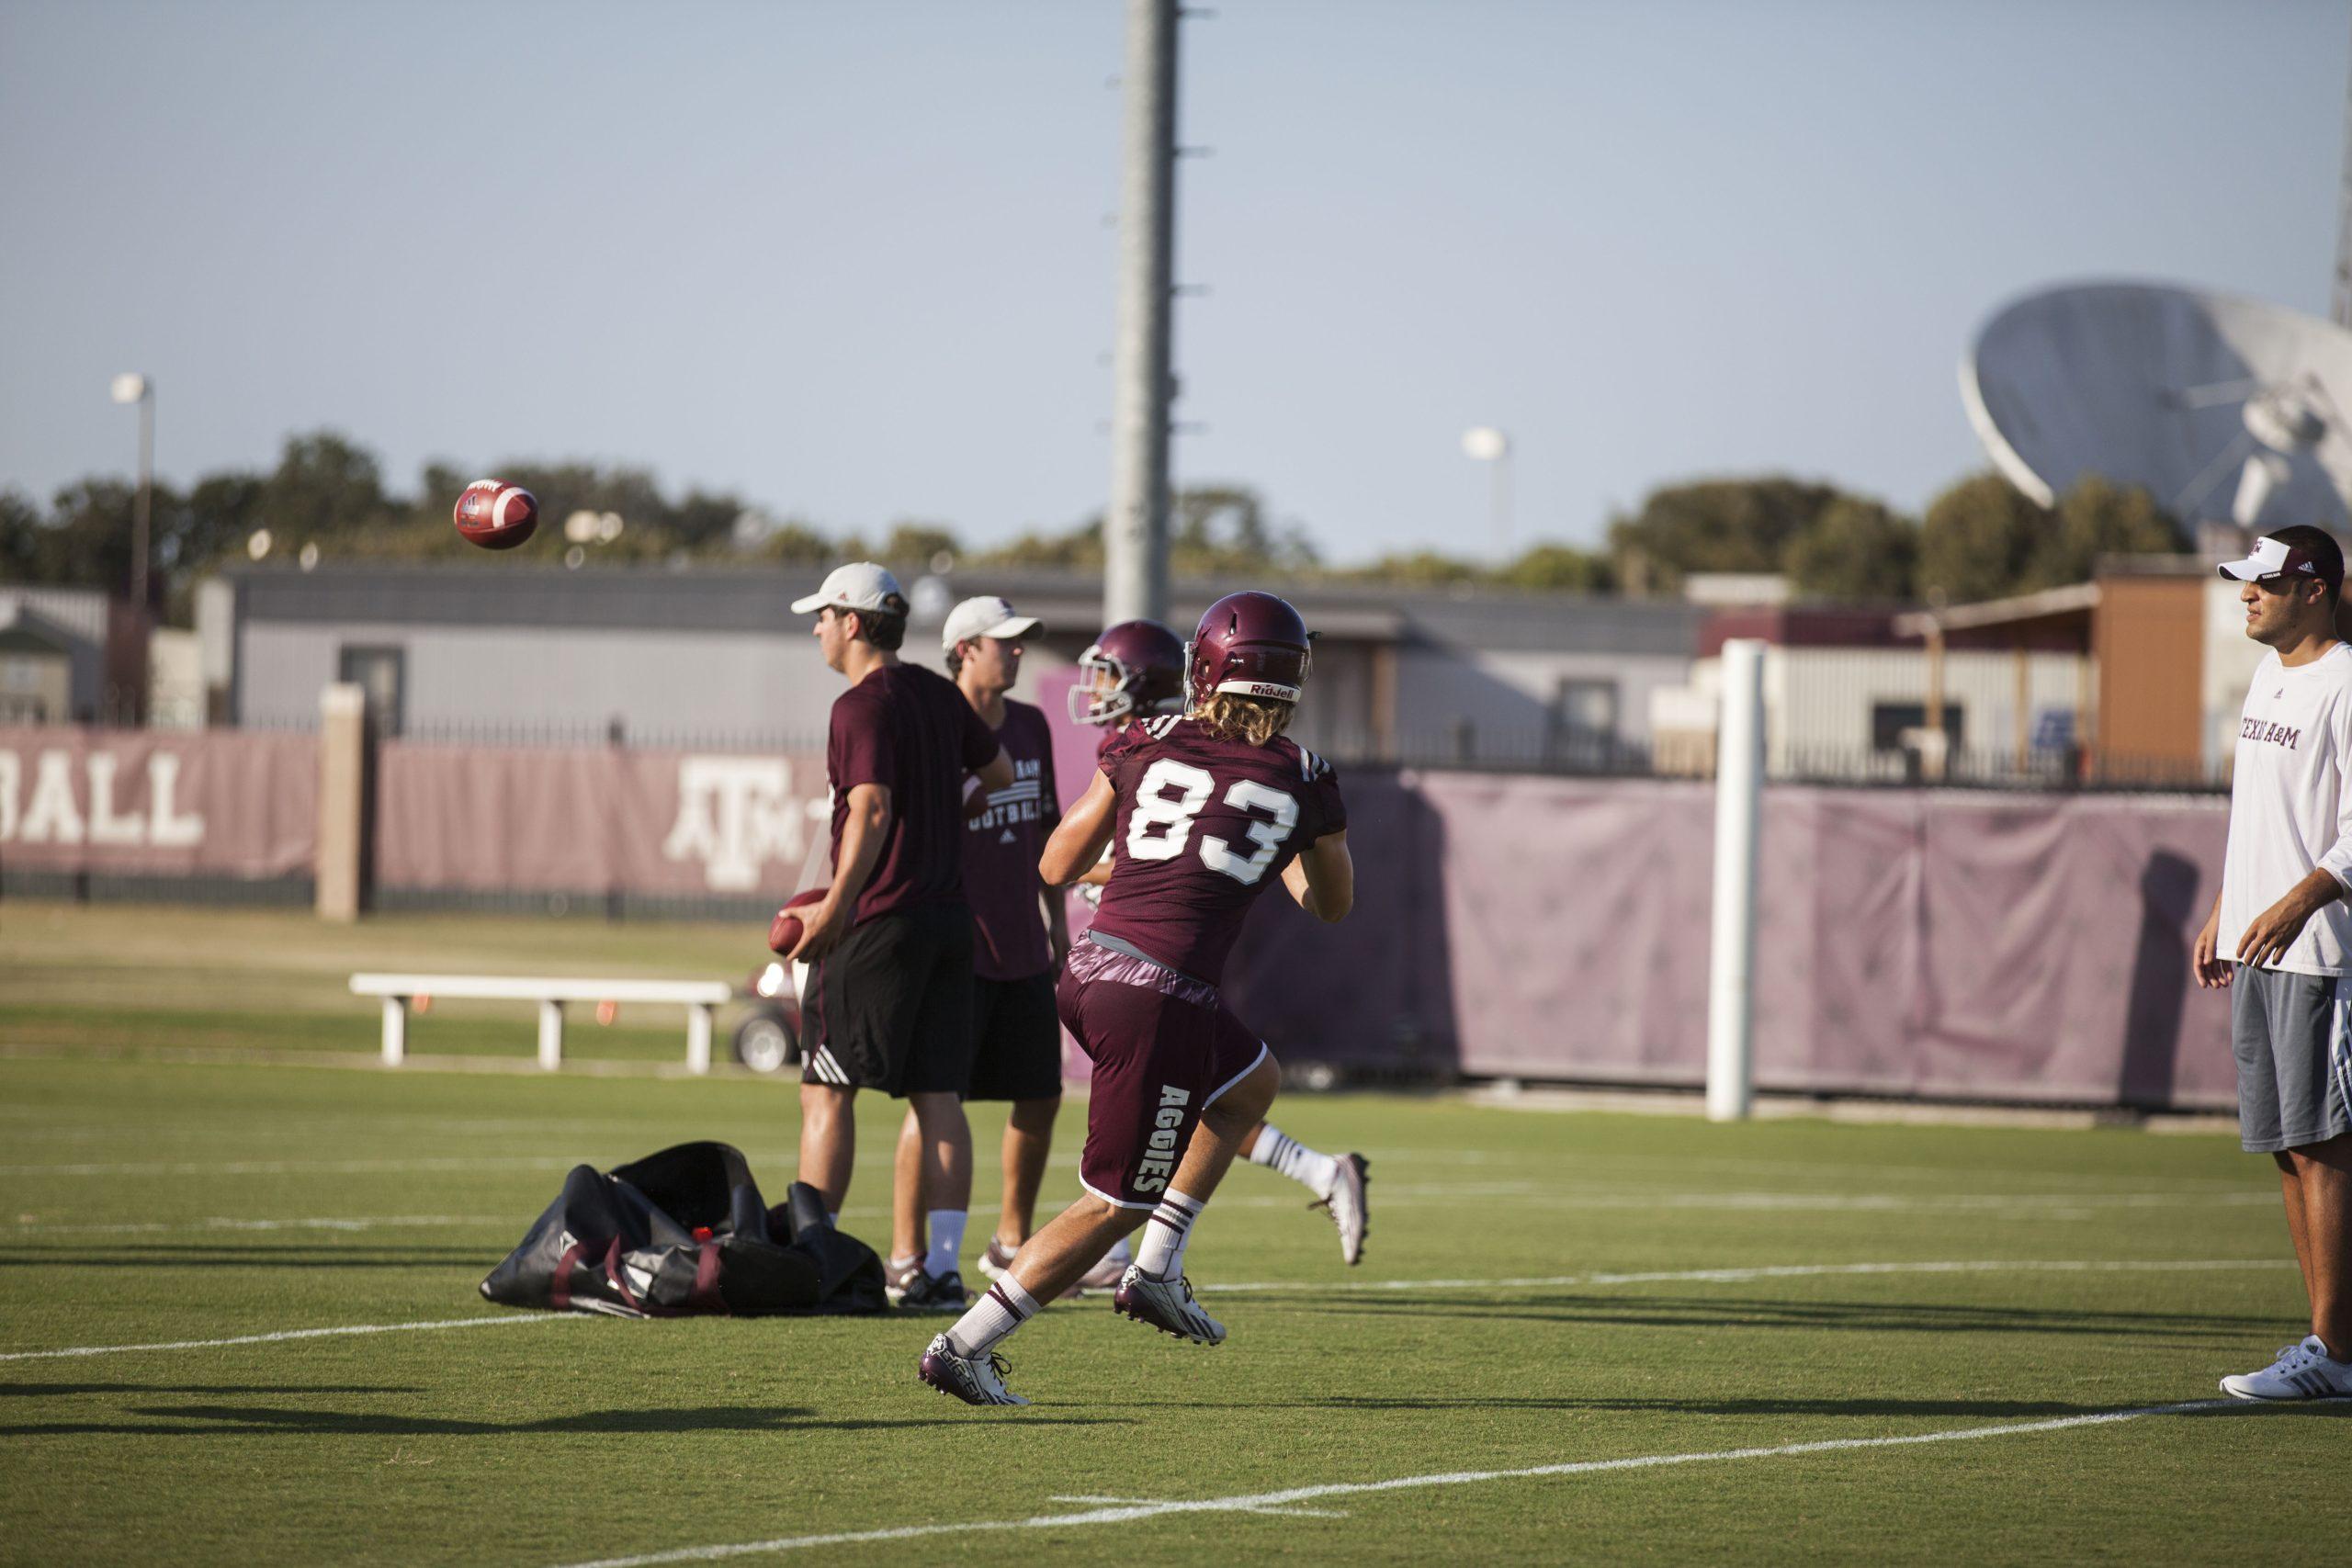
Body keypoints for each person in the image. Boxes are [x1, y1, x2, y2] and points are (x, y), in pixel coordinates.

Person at [920, 591, 1353, 1404]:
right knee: (1114, 1203)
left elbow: (1053, 865)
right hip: (1164, 995)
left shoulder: (1142, 740)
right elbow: (1330, 904)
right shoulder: (1305, 778)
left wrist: (1160, 866)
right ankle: (963, 1345)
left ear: (1204, 668)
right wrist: (1296, 842)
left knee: (1251, 1084)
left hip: (1089, 971)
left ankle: (1158, 1266)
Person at [1068, 618, 1372, 1268]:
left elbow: (1082, 859)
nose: (1095, 689)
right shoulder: (1264, 763)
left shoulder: (1148, 741)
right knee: (1222, 1089)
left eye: (1110, 674)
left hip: (1151, 955)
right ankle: (1155, 1252)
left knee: (1175, 1100)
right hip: (1150, 956)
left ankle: (1082, 1267)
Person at [786, 562, 1012, 1314]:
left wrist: (834, 910)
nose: (816, 627)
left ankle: (816, 1260)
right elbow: (1002, 770)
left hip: (879, 921)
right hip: (950, 920)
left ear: (852, 622)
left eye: (822, 615)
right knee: (939, 1097)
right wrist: (943, 823)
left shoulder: (860, 704)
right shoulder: (938, 694)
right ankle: (942, 1273)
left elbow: (873, 808)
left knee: (827, 1090)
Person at [883, 597, 1120, 1299]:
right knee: (933, 1101)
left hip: (1020, 941)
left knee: (1040, 1094)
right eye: (1004, 644)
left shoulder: (1029, 724)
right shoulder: (930, 726)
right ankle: (905, 1253)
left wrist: (1055, 925)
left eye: (1020, 645)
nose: (1017, 654)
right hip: (953, 942)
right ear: (963, 649)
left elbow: (1049, 832)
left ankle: (1009, 1241)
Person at [2195, 525, 2352, 1400]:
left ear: (2317, 589)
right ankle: (2323, 1343)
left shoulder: (2348, 682)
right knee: (2286, 1146)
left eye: (2265, 583)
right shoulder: (2266, 676)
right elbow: (2255, 811)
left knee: (2325, 1142)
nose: (2247, 595)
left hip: (2318, 949)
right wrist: (2227, 904)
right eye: (2245, 583)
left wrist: (2297, 901)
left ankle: (2335, 1347)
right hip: (2253, 945)